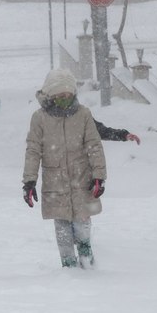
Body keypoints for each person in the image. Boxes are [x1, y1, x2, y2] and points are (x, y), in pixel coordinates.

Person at [22, 69, 107, 269]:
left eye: (69, 95)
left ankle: (86, 256)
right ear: (51, 95)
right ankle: (68, 264)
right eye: (60, 96)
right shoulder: (40, 118)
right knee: (62, 226)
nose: (65, 99)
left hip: (82, 179)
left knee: (83, 220)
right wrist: (29, 181)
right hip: (55, 181)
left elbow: (94, 145)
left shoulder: (83, 114)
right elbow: (33, 150)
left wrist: (99, 176)